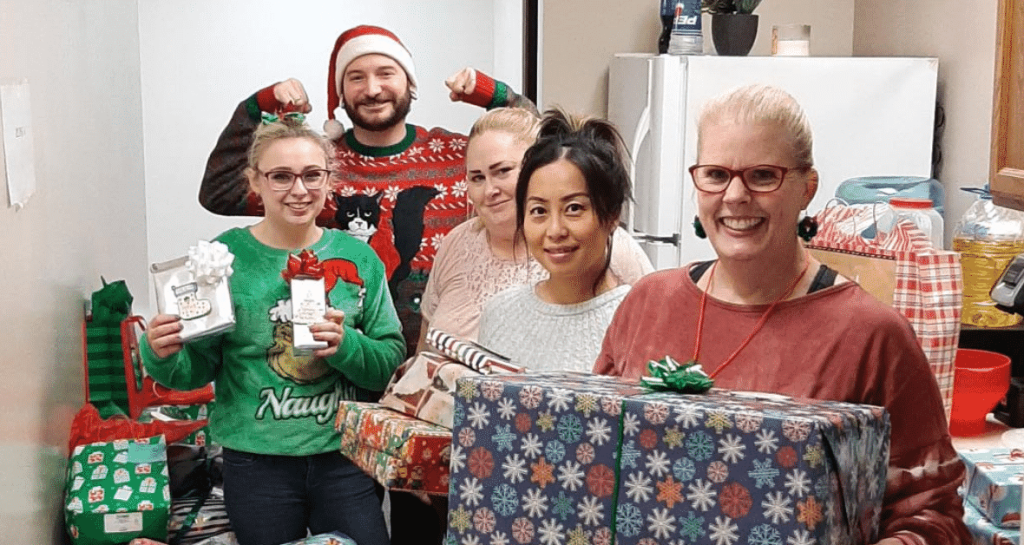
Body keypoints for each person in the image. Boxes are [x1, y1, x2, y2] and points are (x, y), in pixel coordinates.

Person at [593, 84, 971, 544]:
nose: (735, 195)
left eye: (762, 175)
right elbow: (598, 465)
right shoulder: (647, 304)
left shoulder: (872, 335)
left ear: (807, 188)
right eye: (716, 174)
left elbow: (934, 517)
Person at [142, 115, 404, 545]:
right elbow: (195, 370)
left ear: (329, 180)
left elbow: (388, 365)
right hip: (256, 464)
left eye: (312, 175)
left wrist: (346, 346)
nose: (299, 190)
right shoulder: (222, 258)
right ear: (255, 181)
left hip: (344, 459)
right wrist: (160, 353)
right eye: (281, 176)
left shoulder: (359, 258)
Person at [199, 24, 536, 356]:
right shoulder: (318, 169)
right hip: (344, 360)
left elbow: (541, 151)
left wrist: (498, 97)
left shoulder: (457, 155)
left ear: (409, 83)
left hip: (440, 360)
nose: (373, 89)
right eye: (356, 77)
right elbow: (220, 190)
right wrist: (257, 106)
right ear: (340, 92)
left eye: (386, 73)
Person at [417, 107, 653, 352]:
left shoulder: (606, 247)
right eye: (477, 177)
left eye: (503, 171)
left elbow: (652, 323)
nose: (490, 190)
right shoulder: (459, 246)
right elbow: (425, 346)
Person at [476, 108, 637, 372]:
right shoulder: (499, 313)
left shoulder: (639, 321)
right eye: (539, 210)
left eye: (574, 208)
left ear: (612, 215)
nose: (555, 230)